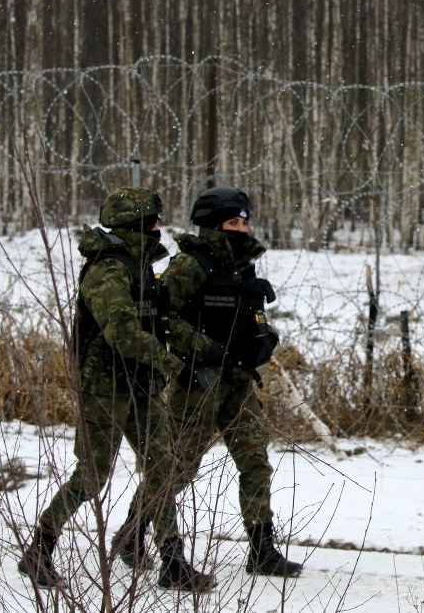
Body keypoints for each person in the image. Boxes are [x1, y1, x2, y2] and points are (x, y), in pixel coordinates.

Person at [17, 186, 213, 592]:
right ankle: (40, 548)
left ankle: (172, 561)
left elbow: (153, 322)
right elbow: (122, 331)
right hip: (104, 388)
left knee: (161, 469)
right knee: (91, 477)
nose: (160, 226)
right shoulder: (109, 269)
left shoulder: (139, 267)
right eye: (154, 220)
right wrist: (171, 363)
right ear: (138, 223)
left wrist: (202, 348)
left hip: (139, 384)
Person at [111, 185, 302, 579]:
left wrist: (265, 337)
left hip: (237, 382)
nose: (242, 228)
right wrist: (205, 348)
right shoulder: (189, 266)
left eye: (245, 221)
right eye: (234, 221)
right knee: (178, 467)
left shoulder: (241, 266)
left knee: (255, 461)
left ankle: (262, 549)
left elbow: (247, 317)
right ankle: (132, 533)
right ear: (214, 224)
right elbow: (164, 321)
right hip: (197, 383)